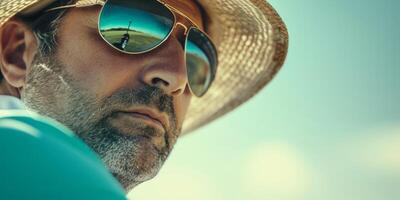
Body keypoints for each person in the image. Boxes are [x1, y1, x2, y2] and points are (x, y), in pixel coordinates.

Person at [0, 0, 288, 196]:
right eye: (134, 28)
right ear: (17, 54)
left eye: (198, 57)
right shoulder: (18, 145)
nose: (178, 76)